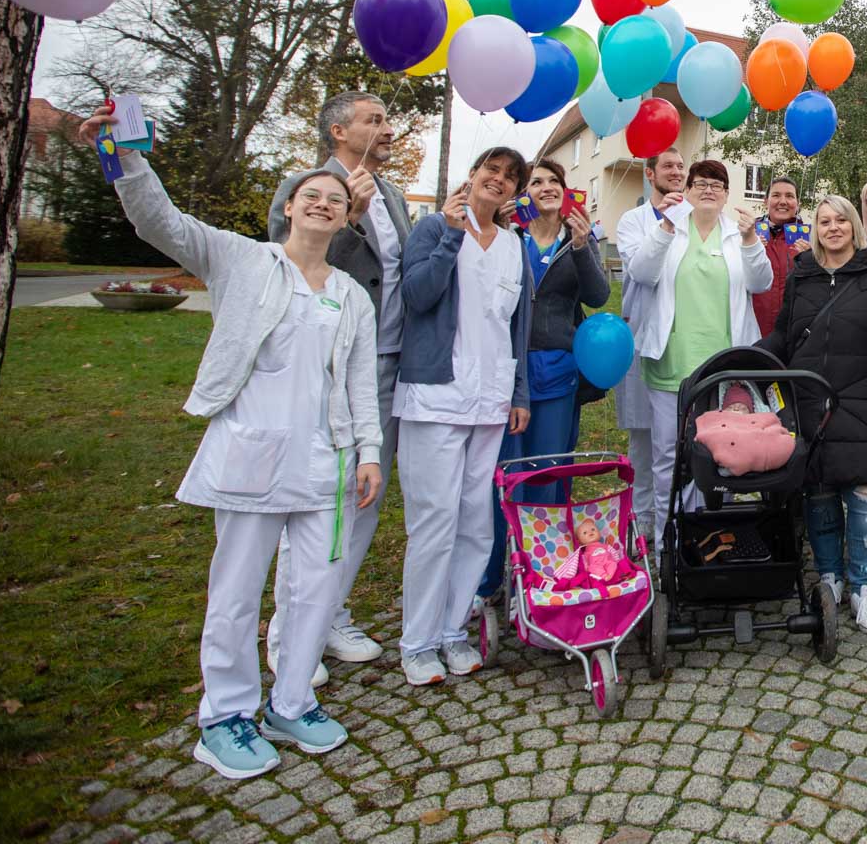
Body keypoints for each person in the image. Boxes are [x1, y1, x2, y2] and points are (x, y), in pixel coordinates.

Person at [79, 106, 380, 779]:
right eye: (312, 196)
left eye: (335, 201)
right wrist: (124, 157)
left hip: (324, 463)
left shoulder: (352, 295)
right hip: (253, 456)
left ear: (344, 218)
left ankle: (293, 700)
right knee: (237, 592)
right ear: (289, 209)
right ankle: (224, 715)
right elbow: (162, 223)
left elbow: (362, 382)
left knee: (313, 589)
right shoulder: (242, 260)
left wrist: (368, 453)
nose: (324, 205)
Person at [262, 92, 409, 685]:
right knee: (319, 493)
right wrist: (346, 216)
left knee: (366, 494)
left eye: (385, 118)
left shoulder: (393, 194)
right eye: (374, 119)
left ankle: (331, 613)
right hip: (329, 362)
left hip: (390, 364)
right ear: (339, 130)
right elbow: (285, 256)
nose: (386, 127)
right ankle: (289, 629)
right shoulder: (308, 185)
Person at [394, 147, 534, 687]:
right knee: (434, 523)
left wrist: (518, 393)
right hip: (435, 399)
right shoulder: (432, 229)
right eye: (490, 171)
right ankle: (418, 641)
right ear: (472, 176)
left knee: (476, 523)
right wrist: (453, 236)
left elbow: (516, 326)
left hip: (491, 402)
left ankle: (452, 629)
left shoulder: (513, 246)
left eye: (508, 177)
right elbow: (417, 296)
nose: (497, 181)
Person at [759, 195, 867, 633]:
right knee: (820, 494)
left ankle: (865, 589)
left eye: (840, 221)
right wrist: (744, 359)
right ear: (817, 229)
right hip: (812, 400)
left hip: (866, 398)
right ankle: (829, 579)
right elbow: (783, 337)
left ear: (853, 225)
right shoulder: (801, 277)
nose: (833, 228)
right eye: (824, 221)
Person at [476, 158, 610, 605]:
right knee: (503, 474)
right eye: (537, 182)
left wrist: (580, 246)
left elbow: (598, 295)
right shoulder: (510, 238)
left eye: (554, 181)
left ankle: (544, 573)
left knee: (547, 473)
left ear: (565, 191)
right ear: (525, 193)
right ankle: (495, 575)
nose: (547, 187)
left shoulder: (578, 237)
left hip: (556, 370)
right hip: (505, 370)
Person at [626, 158, 774, 549]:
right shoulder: (670, 231)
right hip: (671, 363)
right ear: (687, 191)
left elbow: (762, 282)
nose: (709, 189)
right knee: (669, 459)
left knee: (720, 456)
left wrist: (750, 239)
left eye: (718, 184)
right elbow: (641, 273)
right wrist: (666, 226)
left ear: (726, 195)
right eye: (701, 183)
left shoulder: (735, 233)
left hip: (723, 370)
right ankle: (667, 546)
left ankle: (711, 540)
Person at [613, 149, 688, 545]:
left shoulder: (695, 217)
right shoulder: (633, 220)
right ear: (649, 173)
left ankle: (683, 518)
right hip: (642, 339)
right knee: (644, 439)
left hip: (684, 342)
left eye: (681, 167)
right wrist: (665, 223)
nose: (676, 173)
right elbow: (644, 272)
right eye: (669, 167)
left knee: (681, 438)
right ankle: (642, 523)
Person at [749, 175, 808, 337]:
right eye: (776, 195)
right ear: (765, 201)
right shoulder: (749, 234)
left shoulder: (811, 241)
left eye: (789, 196)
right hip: (753, 330)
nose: (783, 201)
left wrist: (810, 260)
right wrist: (751, 250)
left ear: (798, 204)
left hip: (793, 333)